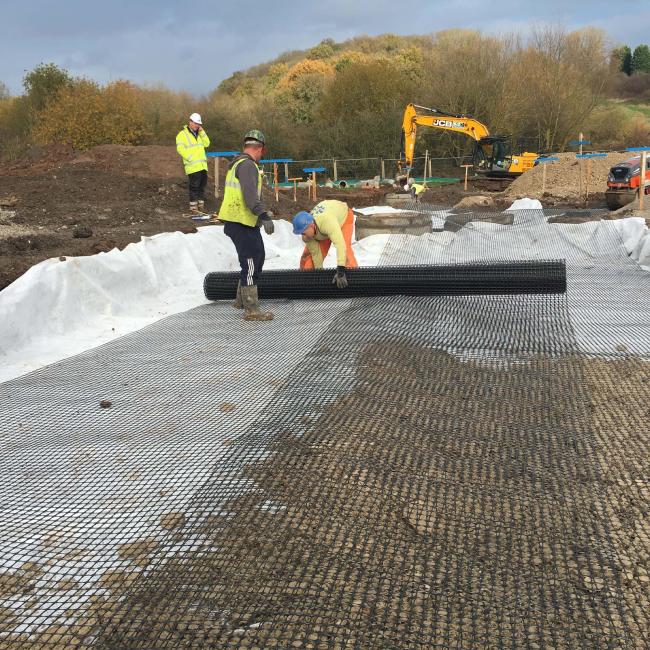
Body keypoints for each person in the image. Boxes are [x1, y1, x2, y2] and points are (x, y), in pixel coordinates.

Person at [218, 129, 275, 321]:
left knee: (257, 257)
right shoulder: (248, 166)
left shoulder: (239, 164)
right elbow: (250, 197)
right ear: (260, 149)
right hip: (240, 221)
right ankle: (251, 310)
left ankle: (241, 300)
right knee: (250, 262)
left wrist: (259, 216)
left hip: (243, 221)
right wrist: (264, 215)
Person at [292, 199, 358, 289]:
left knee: (345, 251)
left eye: (303, 233)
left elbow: (340, 245)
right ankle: (305, 282)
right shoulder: (310, 232)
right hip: (323, 228)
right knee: (308, 256)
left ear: (311, 225)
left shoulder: (327, 221)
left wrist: (341, 271)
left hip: (343, 218)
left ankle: (353, 281)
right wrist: (319, 276)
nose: (303, 237)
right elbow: (316, 254)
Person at [176, 113, 210, 215]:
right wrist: (190, 158)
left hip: (202, 166)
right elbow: (180, 149)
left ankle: (201, 208)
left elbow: (207, 143)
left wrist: (202, 132)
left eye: (199, 124)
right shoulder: (182, 135)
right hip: (192, 166)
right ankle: (194, 209)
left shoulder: (199, 134)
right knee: (194, 187)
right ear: (190, 122)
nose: (197, 126)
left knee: (202, 186)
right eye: (196, 123)